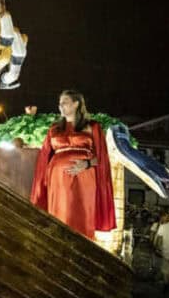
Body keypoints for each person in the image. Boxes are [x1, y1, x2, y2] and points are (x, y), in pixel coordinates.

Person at [30, 90, 115, 239]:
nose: (60, 106)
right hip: (57, 179)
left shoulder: (92, 126)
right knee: (59, 213)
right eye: (59, 103)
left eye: (65, 103)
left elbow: (102, 156)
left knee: (81, 211)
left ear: (76, 104)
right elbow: (44, 156)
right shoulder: (54, 128)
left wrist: (87, 164)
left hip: (84, 176)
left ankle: (83, 246)